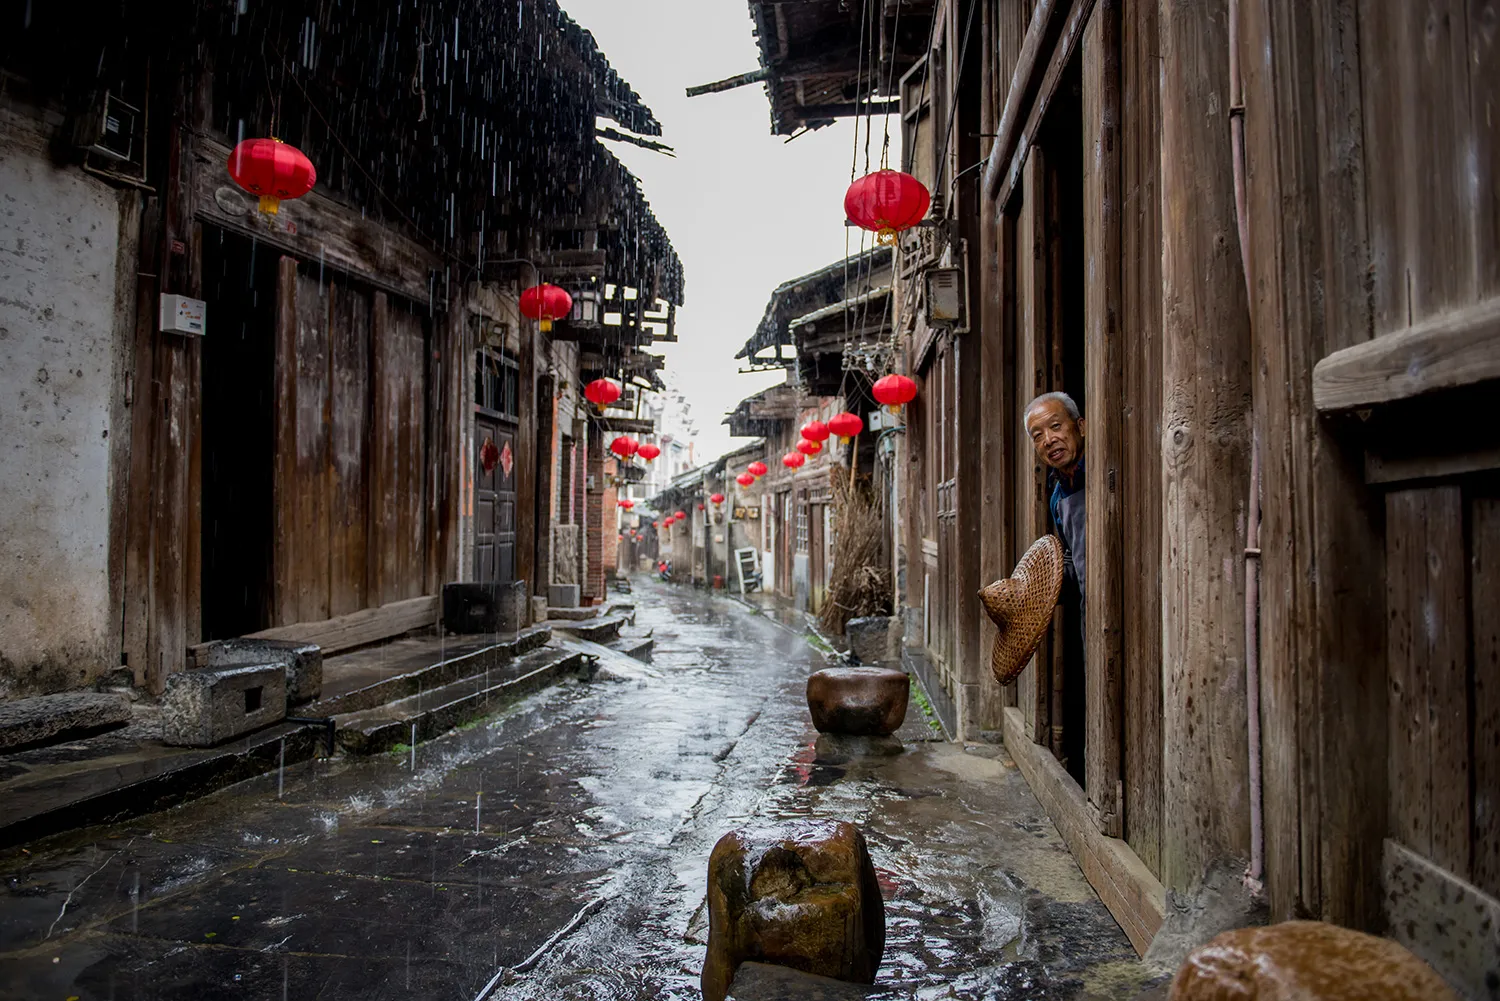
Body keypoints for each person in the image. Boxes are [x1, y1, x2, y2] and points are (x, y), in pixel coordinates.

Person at [1024, 391, 1086, 605]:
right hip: (1092, 611)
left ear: (1081, 427)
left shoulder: (1104, 475)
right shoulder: (1057, 499)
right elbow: (1074, 556)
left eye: (1056, 426)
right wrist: (1037, 587)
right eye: (1038, 436)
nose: (1048, 441)